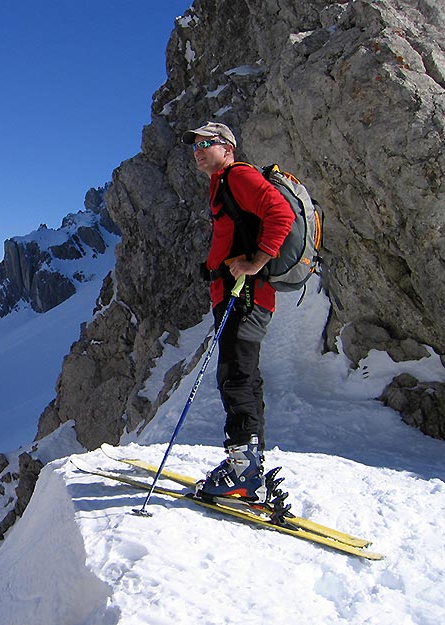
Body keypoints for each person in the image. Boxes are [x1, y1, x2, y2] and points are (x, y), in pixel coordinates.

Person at [182, 122, 295, 502]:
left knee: (236, 376)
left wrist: (257, 262)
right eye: (195, 145)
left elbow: (281, 213)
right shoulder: (223, 183)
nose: (198, 150)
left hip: (245, 296)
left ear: (227, 148)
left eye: (206, 143)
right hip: (237, 294)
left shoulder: (238, 176)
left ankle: (243, 469)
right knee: (242, 376)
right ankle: (249, 464)